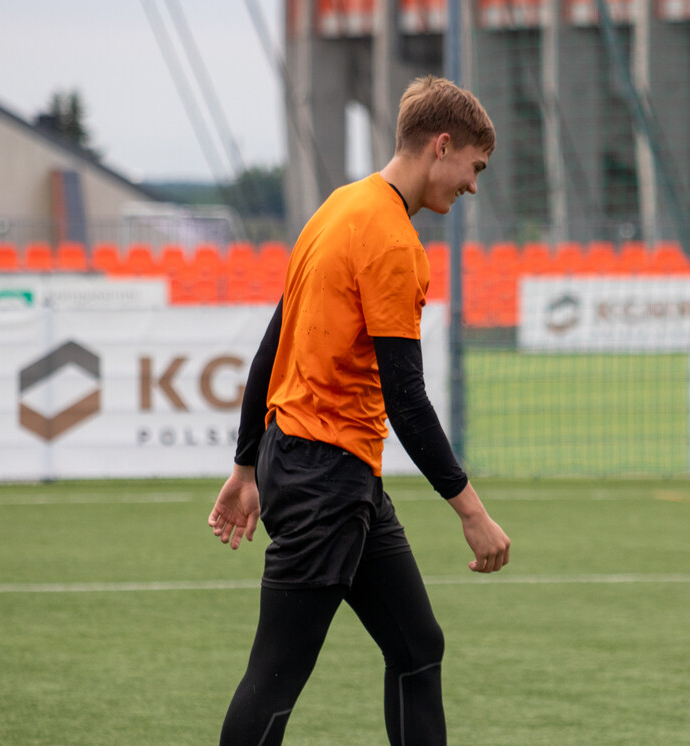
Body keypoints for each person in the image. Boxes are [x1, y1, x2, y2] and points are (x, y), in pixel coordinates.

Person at [206, 75, 511, 746]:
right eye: (475, 167)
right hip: (325, 481)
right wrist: (473, 513)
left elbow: (271, 346)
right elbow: (407, 396)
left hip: (325, 470)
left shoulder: (338, 209)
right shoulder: (393, 243)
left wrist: (246, 464)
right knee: (275, 678)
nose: (473, 186)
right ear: (441, 145)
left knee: (417, 646)